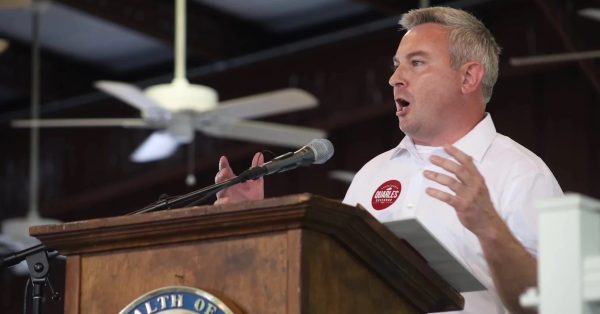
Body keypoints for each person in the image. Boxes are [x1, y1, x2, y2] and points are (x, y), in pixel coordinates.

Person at [214, 6, 562, 314]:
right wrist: (253, 223)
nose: (394, 78)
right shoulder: (373, 172)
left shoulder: (521, 174)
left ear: (468, 77)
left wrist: (490, 229)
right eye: (397, 65)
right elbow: (326, 276)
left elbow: (553, 304)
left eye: (417, 63)